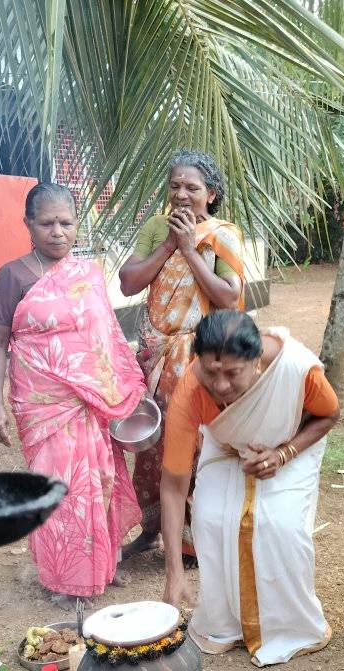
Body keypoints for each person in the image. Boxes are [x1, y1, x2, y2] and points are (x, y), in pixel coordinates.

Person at [0, 182, 146, 598]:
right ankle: (63, 576)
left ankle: (102, 564)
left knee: (101, 480)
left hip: (88, 402)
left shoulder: (86, 274)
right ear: (28, 225)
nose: (57, 231)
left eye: (66, 223)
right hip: (42, 404)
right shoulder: (12, 276)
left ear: (78, 225)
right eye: (46, 223)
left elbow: (104, 338)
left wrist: (121, 389)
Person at [160, 311, 338, 666]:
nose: (220, 385)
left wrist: (283, 454)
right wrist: (174, 573)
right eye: (211, 372)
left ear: (257, 362)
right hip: (226, 446)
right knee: (210, 519)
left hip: (292, 443)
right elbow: (173, 487)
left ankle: (290, 626)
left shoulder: (295, 370)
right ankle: (223, 624)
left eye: (232, 374)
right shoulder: (191, 390)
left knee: (280, 525)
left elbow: (329, 415)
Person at [118, 150, 244, 561]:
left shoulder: (222, 234)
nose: (182, 195)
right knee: (150, 442)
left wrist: (190, 250)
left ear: (211, 193)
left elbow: (229, 297)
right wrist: (170, 243)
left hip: (196, 357)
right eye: (175, 186)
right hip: (154, 355)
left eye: (192, 187)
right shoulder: (156, 227)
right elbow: (128, 283)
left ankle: (192, 537)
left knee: (191, 441)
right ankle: (154, 526)